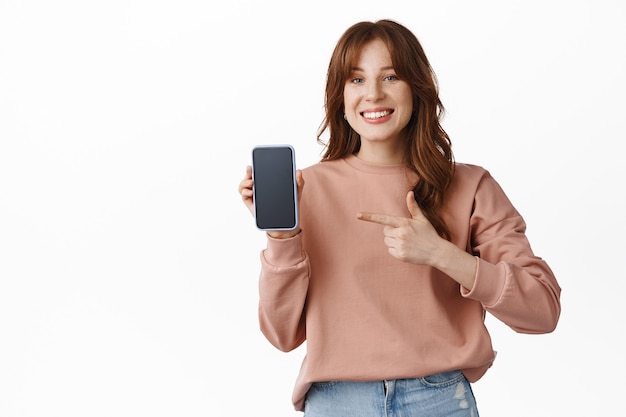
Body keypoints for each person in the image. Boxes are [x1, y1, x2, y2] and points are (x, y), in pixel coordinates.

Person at [238, 19, 561, 417]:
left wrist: (443, 255)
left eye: (390, 76)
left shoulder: (471, 186)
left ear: (417, 87)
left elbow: (542, 310)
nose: (372, 94)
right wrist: (282, 237)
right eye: (356, 80)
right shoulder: (305, 189)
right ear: (339, 95)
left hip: (440, 400)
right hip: (338, 402)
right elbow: (281, 334)